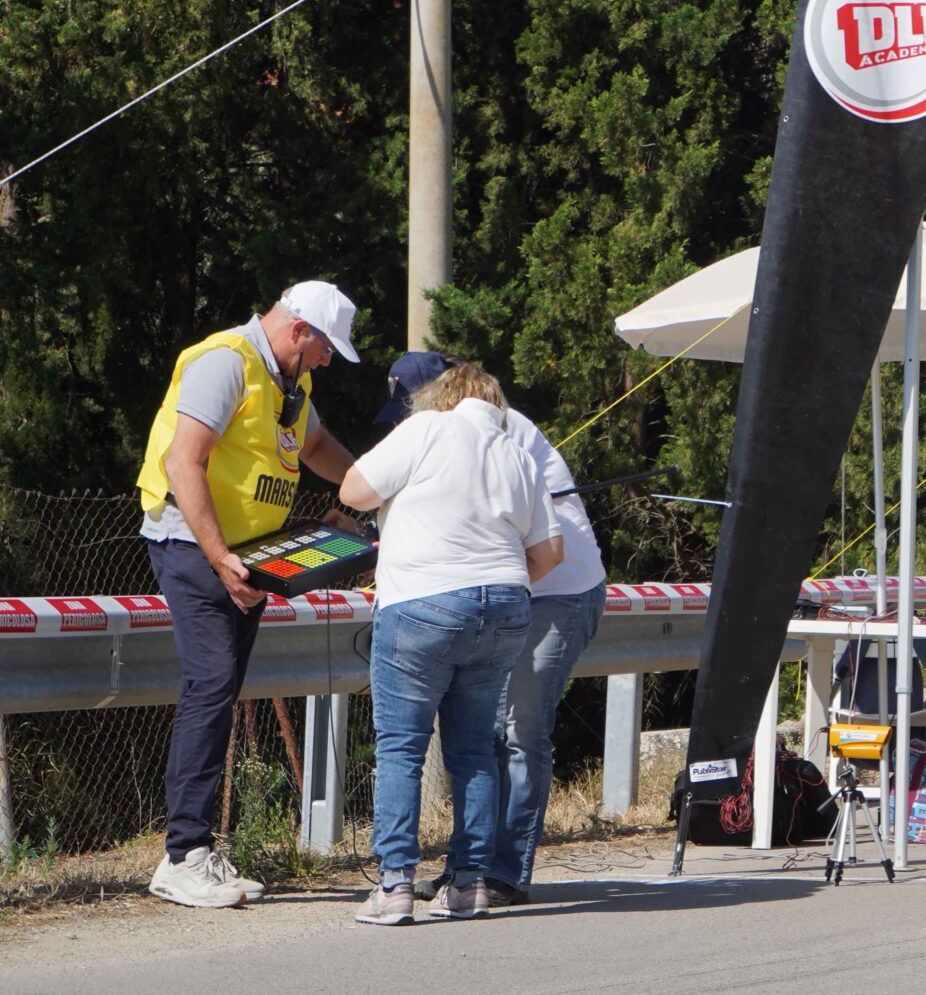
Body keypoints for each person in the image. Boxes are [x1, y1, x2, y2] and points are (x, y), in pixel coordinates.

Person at [135, 281, 363, 909]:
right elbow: (185, 464)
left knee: (221, 688)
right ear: (298, 330)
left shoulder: (290, 381)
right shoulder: (226, 362)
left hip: (248, 555)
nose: (326, 361)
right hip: (196, 546)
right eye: (324, 349)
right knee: (210, 685)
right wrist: (221, 558)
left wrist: (369, 489)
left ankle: (195, 849)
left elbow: (314, 447)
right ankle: (184, 854)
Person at [380, 354, 609, 908]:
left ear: (442, 394)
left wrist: (494, 592)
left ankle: (504, 871)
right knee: (480, 740)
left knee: (518, 732)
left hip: (558, 589)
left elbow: (543, 552)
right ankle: (469, 870)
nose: (414, 417)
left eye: (417, 403)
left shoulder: (502, 430)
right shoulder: (453, 433)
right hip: (513, 592)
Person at [340, 361, 562, 924]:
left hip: (422, 602)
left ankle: (393, 886)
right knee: (473, 750)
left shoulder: (426, 429)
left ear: (441, 396)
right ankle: (468, 884)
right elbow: (548, 553)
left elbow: (354, 491)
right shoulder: (517, 453)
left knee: (401, 747)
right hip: (506, 605)